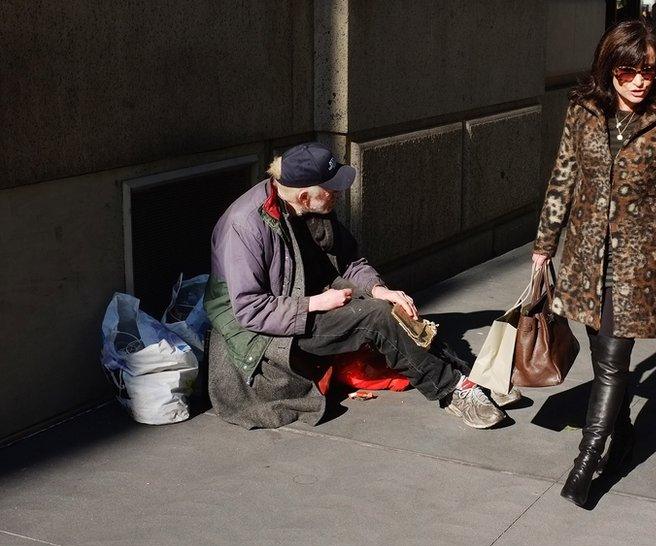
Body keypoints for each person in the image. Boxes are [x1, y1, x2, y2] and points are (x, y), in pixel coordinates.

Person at [204, 143, 506, 430]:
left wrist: (378, 289)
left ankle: (462, 371)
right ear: (305, 197)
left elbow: (349, 261)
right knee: (375, 317)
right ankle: (452, 390)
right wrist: (314, 304)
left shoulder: (314, 207)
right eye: (331, 188)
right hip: (267, 327)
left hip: (308, 294)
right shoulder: (244, 226)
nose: (340, 192)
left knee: (388, 306)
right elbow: (249, 310)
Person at [532, 19, 656, 507]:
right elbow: (563, 176)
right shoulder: (583, 111)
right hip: (583, 252)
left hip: (636, 259)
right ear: (610, 68)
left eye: (649, 71)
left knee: (612, 361)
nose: (640, 80)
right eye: (629, 70)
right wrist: (544, 244)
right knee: (602, 354)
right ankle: (622, 435)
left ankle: (586, 463)